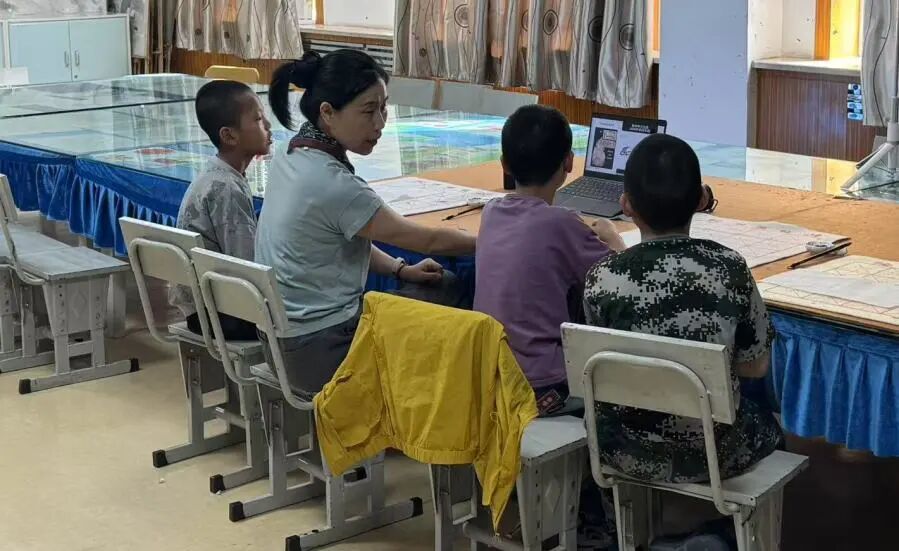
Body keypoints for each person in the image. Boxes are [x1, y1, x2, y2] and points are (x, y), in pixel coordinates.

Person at [256, 49, 476, 399]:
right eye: (368, 110)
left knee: (425, 288)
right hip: (322, 352)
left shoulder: (290, 153)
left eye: (384, 108)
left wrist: (401, 269)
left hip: (279, 343)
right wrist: (492, 238)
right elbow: (428, 241)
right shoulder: (333, 183)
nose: (380, 123)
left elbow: (340, 238)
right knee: (450, 288)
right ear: (327, 112)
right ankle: (430, 408)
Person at [584, 133, 784, 484]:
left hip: (625, 449)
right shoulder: (729, 267)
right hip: (714, 453)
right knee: (769, 422)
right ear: (701, 199)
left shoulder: (602, 277)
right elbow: (756, 365)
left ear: (626, 205)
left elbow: (600, 368)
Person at [473, 105, 625, 416]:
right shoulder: (560, 223)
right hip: (543, 389)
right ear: (569, 162)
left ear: (504, 164)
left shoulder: (491, 212)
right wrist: (613, 237)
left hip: (491, 378)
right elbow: (621, 280)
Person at [171, 80, 272, 340]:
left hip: (207, 306)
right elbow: (248, 267)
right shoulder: (227, 188)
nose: (268, 125)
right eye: (258, 119)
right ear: (229, 136)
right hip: (219, 314)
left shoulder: (219, 174)